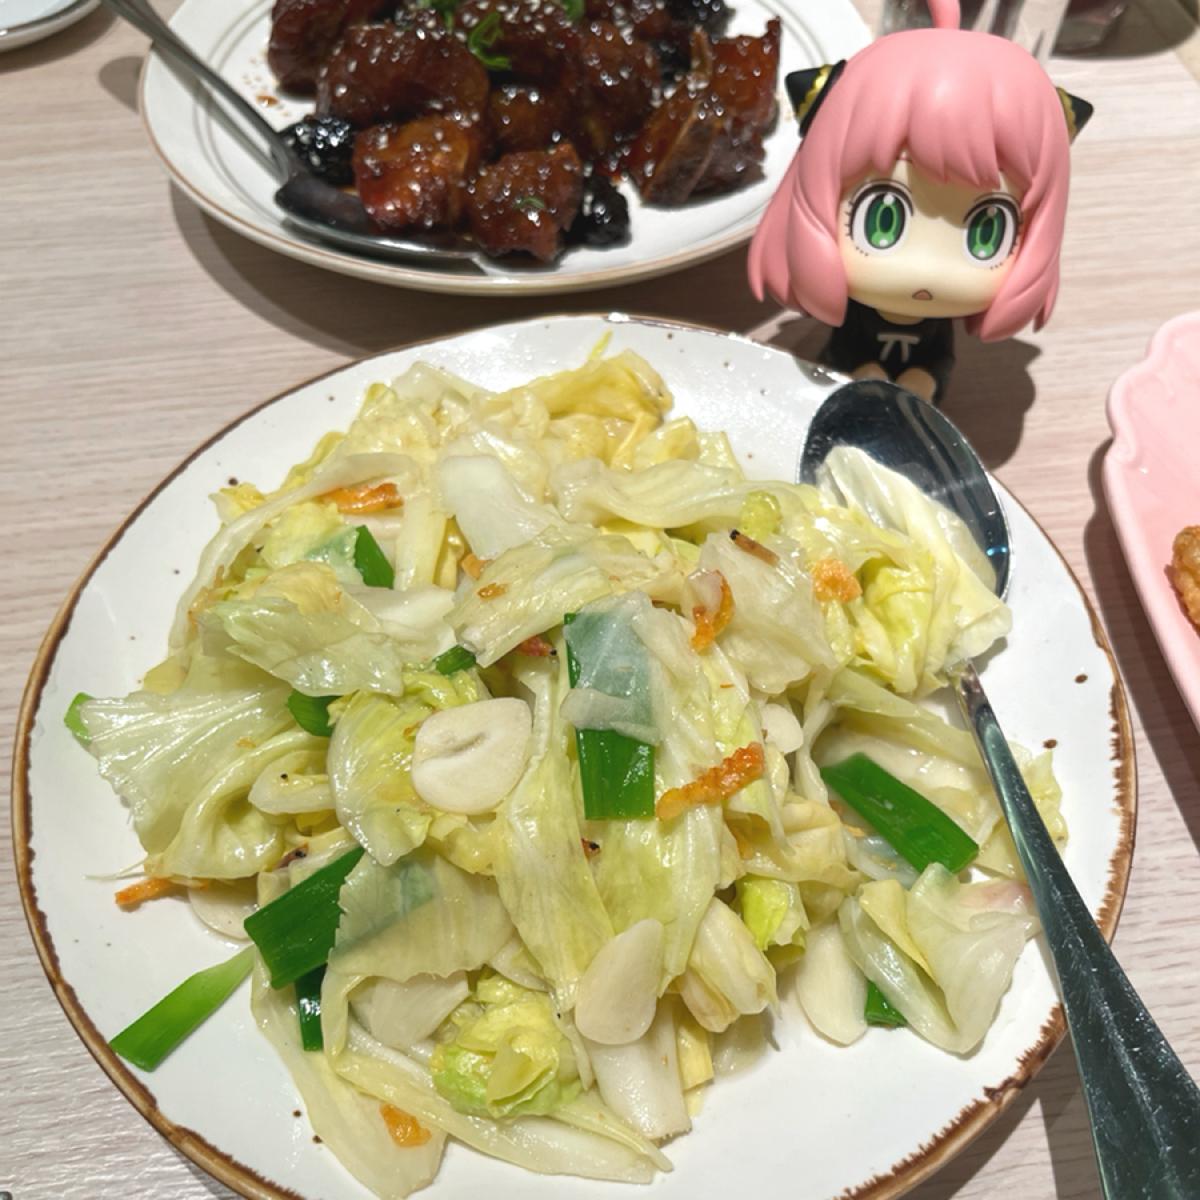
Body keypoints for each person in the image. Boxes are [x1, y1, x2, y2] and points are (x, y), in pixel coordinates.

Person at [747, 0, 1090, 404]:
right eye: (883, 220)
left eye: (987, 232)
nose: (926, 271)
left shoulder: (935, 323)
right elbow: (844, 347)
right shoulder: (860, 311)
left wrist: (923, 381)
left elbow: (939, 357)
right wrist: (864, 373)